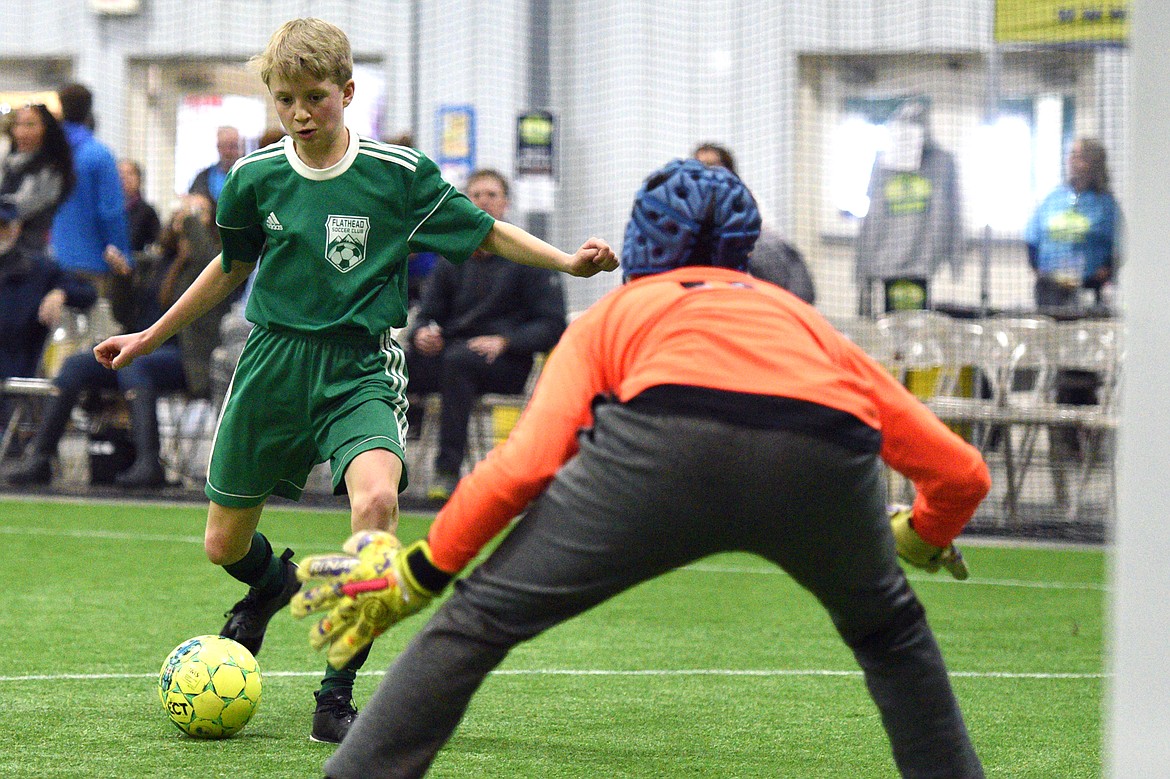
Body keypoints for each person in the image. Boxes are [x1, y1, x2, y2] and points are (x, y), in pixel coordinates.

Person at [290, 158, 991, 779]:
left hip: (661, 447)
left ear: (642, 242)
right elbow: (962, 473)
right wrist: (922, 534)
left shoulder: (618, 309)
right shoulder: (805, 322)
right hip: (822, 453)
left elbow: (524, 466)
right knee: (892, 636)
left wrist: (421, 574)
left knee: (477, 620)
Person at [91, 17, 615, 745]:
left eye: (315, 97)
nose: (301, 114)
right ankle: (275, 585)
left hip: (359, 365)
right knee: (222, 544)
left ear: (347, 91)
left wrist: (566, 263)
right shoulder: (253, 178)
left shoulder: (397, 176)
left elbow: (484, 232)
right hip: (271, 364)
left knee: (376, 505)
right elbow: (229, 266)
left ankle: (335, 696)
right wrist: (150, 335)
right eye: (285, 100)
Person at [6, 194, 227, 488]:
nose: (186, 216)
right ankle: (40, 459)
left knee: (136, 368)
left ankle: (149, 463)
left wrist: (190, 220)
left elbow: (206, 260)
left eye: (199, 211)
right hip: (143, 349)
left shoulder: (217, 261)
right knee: (75, 366)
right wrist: (122, 278)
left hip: (187, 358)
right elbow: (126, 314)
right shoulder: (162, 262)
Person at [405, 168, 567, 501]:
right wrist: (422, 333)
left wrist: (506, 341)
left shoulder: (530, 258)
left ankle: (447, 471)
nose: (483, 201)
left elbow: (552, 326)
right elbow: (427, 315)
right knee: (393, 365)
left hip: (506, 364)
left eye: (491, 195)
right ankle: (379, 465)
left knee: (458, 362)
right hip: (452, 357)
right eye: (476, 195)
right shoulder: (451, 259)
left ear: (505, 203)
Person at [0, 201, 97, 447]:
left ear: (15, 229)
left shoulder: (38, 269)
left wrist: (60, 293)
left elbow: (87, 292)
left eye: (3, 226)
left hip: (17, 358)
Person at [855, 99, 963, 315]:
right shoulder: (883, 162)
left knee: (915, 324)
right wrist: (864, 266)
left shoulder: (942, 162)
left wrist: (955, 258)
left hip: (921, 263)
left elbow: (954, 213)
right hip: (886, 261)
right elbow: (871, 214)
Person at [692, 142, 816, 304]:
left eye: (712, 165)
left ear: (728, 169)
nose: (705, 171)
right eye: (699, 165)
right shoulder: (689, 206)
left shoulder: (749, 202)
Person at [50, 83, 133, 295]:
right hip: (92, 264)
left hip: (53, 262)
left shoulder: (51, 154)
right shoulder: (99, 155)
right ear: (89, 110)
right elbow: (110, 212)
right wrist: (122, 254)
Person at [1025, 137, 1120, 310]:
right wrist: (1036, 267)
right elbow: (1032, 235)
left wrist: (1105, 271)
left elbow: (1119, 244)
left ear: (1093, 163)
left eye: (1079, 156)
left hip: (1088, 288)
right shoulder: (1055, 197)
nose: (1072, 161)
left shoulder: (1105, 204)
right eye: (1072, 155)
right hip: (1050, 288)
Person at [0, 102, 76, 254]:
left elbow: (17, 208)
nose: (21, 132)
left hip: (34, 257)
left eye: (30, 125)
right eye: (18, 124)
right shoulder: (12, 163)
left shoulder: (51, 171)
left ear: (46, 129)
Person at [117, 159, 161, 255]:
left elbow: (157, 244)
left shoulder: (148, 212)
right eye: (120, 173)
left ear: (139, 179)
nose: (124, 177)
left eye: (130, 173)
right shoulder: (107, 210)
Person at [188, 126, 242, 205]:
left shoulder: (248, 176)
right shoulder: (203, 178)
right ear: (218, 147)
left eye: (233, 146)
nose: (229, 152)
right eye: (224, 146)